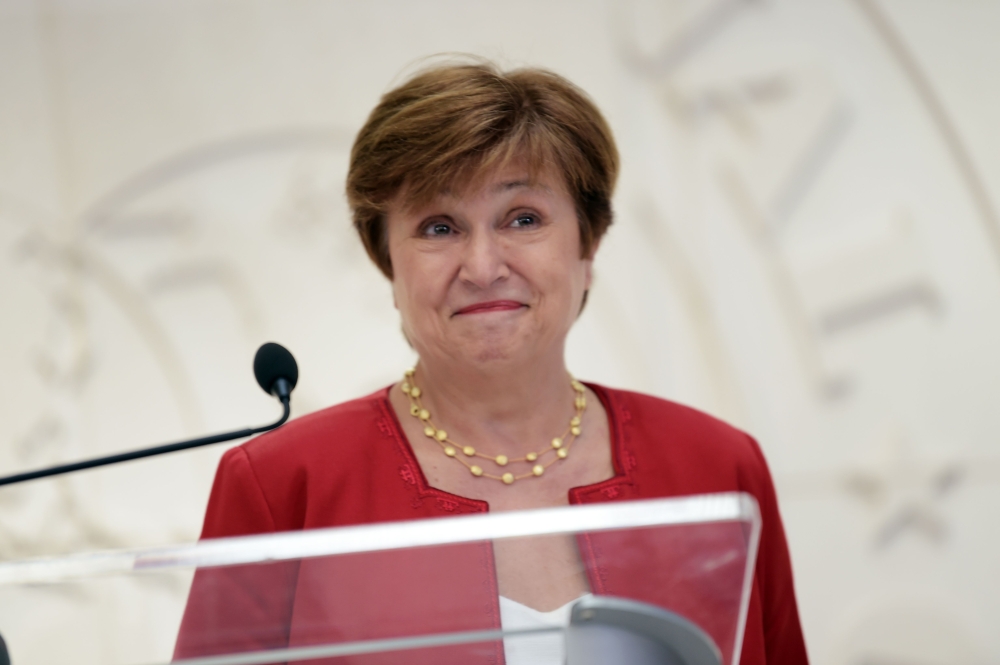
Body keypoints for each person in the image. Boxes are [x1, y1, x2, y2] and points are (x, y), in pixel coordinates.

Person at [174, 60, 808, 665]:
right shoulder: (283, 486)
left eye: (523, 218)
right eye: (439, 227)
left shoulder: (719, 467)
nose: (482, 267)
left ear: (587, 246)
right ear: (387, 263)